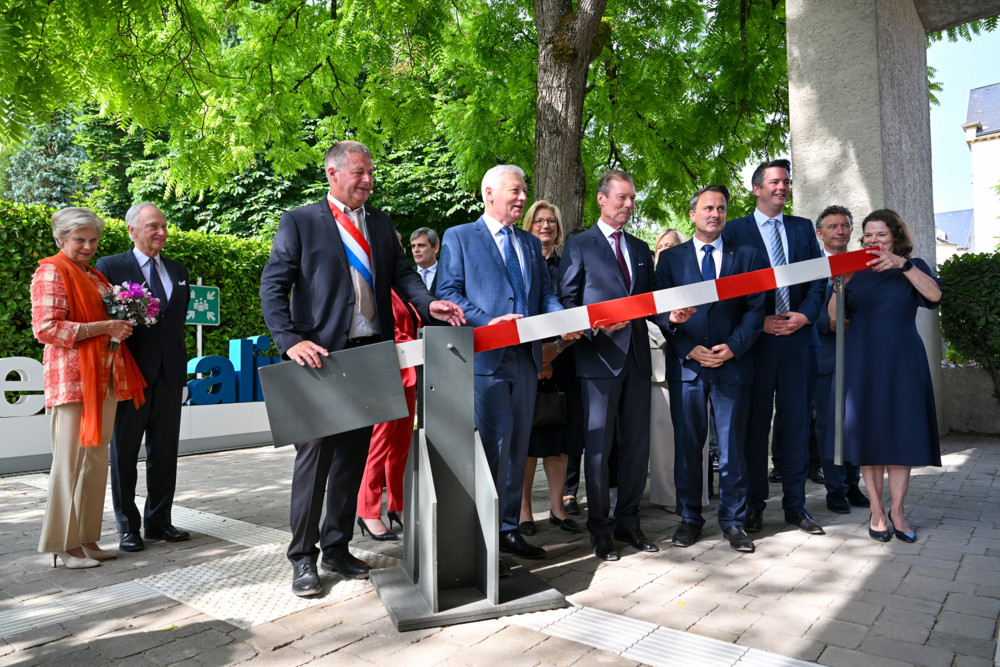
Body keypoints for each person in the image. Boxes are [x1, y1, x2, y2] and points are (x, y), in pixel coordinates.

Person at [260, 140, 464, 597]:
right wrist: (290, 341)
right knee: (314, 462)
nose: (367, 180)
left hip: (371, 354)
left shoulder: (380, 222)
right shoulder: (301, 221)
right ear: (332, 174)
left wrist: (431, 305)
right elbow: (273, 286)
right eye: (358, 172)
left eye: (370, 172)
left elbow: (403, 278)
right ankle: (303, 559)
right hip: (320, 359)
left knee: (353, 458)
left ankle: (336, 546)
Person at [437, 165, 577, 564]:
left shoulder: (530, 245)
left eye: (524, 191)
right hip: (487, 360)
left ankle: (508, 529)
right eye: (515, 191)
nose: (522, 198)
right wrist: (488, 322)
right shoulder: (460, 237)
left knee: (518, 448)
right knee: (493, 448)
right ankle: (480, 536)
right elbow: (448, 293)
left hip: (527, 360)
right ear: (489, 192)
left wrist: (565, 319)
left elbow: (545, 296)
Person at [558, 169, 692, 562]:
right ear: (602, 199)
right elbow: (566, 302)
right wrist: (591, 325)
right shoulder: (579, 245)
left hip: (636, 360)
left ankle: (629, 522)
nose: (629, 205)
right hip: (597, 362)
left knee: (637, 446)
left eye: (632, 199)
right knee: (598, 450)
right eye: (622, 198)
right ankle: (600, 529)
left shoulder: (637, 248)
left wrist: (672, 319)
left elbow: (650, 303)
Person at [31, 207, 146, 568]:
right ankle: (63, 545)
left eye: (93, 240)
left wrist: (120, 324)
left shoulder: (91, 274)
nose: (87, 246)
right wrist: (105, 327)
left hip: (104, 378)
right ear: (61, 239)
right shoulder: (51, 269)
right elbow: (46, 329)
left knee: (94, 461)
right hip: (72, 379)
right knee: (69, 462)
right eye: (79, 240)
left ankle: (86, 538)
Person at [656, 186, 765, 552]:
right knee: (689, 446)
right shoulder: (671, 260)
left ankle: (733, 522)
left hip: (732, 366)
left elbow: (755, 309)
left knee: (733, 447)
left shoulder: (748, 256)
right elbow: (660, 311)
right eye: (707, 208)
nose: (714, 214)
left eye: (720, 208)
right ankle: (689, 519)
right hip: (688, 366)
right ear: (692, 214)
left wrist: (731, 349)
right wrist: (689, 349)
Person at [722, 159, 826, 536]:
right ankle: (754, 506)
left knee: (798, 423)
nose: (782, 187)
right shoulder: (734, 231)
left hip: (798, 340)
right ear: (757, 189)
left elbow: (818, 280)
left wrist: (805, 316)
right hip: (758, 343)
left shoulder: (801, 228)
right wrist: (758, 322)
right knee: (754, 426)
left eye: (786, 181)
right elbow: (728, 291)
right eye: (775, 181)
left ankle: (796, 507)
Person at [828, 209, 941, 543]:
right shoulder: (853, 270)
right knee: (869, 436)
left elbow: (934, 296)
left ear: (895, 238)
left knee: (901, 434)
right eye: (868, 235)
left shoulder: (914, 266)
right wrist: (839, 285)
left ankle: (898, 511)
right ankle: (877, 511)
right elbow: (834, 319)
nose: (873, 241)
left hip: (902, 358)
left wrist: (902, 265)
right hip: (862, 358)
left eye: (881, 235)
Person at [96, 203, 192, 552]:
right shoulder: (110, 266)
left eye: (164, 226)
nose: (161, 233)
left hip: (170, 375)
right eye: (153, 226)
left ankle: (159, 521)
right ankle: (128, 527)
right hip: (129, 374)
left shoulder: (178, 270)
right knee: (123, 453)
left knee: (165, 452)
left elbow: (175, 323)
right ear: (131, 230)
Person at [516, 200, 581, 536]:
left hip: (566, 360)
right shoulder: (518, 265)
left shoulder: (569, 265)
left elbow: (578, 315)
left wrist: (555, 350)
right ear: (528, 227)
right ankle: (525, 512)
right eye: (539, 221)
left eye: (552, 221)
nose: (546, 226)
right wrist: (538, 357)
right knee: (529, 441)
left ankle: (558, 507)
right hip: (525, 363)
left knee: (560, 440)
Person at [812, 206, 869, 514]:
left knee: (855, 423)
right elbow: (805, 304)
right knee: (828, 426)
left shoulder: (862, 264)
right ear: (821, 233)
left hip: (857, 355)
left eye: (845, 226)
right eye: (832, 226)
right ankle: (834, 489)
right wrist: (828, 323)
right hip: (824, 356)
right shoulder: (811, 268)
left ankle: (853, 484)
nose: (840, 231)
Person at [356, 286, 421, 540]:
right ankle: (367, 511)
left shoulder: (401, 289)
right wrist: (419, 346)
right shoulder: (370, 284)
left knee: (401, 447)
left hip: (408, 375)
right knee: (378, 446)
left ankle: (398, 506)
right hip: (385, 376)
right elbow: (382, 330)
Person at [648, 228, 686, 509]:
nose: (664, 249)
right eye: (660, 245)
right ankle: (665, 497)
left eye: (671, 245)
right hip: (657, 364)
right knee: (661, 438)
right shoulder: (647, 279)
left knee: (691, 435)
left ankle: (694, 494)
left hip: (689, 361)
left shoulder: (689, 275)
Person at [409, 227, 440, 291]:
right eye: (413, 246)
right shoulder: (407, 275)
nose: (416, 250)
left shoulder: (448, 273)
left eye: (421, 245)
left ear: (435, 248)